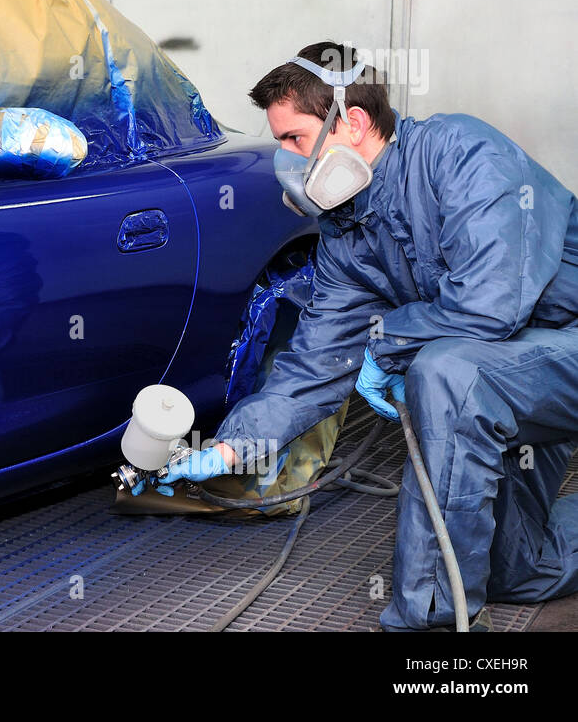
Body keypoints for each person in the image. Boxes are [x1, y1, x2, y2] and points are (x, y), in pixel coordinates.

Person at [157, 41, 578, 631]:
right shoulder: (347, 230)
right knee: (517, 570)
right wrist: (231, 448)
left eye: (294, 140)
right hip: (514, 373)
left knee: (445, 374)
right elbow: (316, 362)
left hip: (556, 345)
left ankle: (427, 624)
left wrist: (386, 347)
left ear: (351, 122)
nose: (286, 162)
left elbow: (490, 305)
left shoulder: (462, 154)